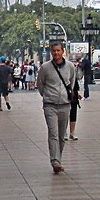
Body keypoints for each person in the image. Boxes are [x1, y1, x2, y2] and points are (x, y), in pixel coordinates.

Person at [35, 42, 80, 174]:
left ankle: (58, 159)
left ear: (63, 51)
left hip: (65, 105)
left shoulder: (70, 67)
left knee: (61, 135)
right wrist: (47, 95)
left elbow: (71, 83)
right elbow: (40, 84)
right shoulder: (45, 68)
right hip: (50, 105)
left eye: (58, 50)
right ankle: (55, 161)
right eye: (54, 51)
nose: (56, 53)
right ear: (51, 52)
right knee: (53, 133)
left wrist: (67, 95)